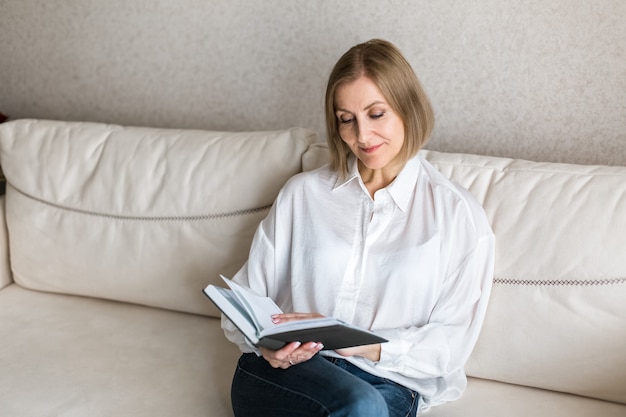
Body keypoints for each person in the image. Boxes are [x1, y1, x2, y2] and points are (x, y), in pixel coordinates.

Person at [222, 39, 495, 417]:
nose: (362, 136)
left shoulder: (458, 215)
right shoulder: (303, 195)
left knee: (361, 405)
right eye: (347, 119)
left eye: (376, 114)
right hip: (287, 374)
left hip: (388, 385)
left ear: (408, 108)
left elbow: (450, 344)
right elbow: (243, 302)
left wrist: (365, 346)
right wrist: (265, 345)